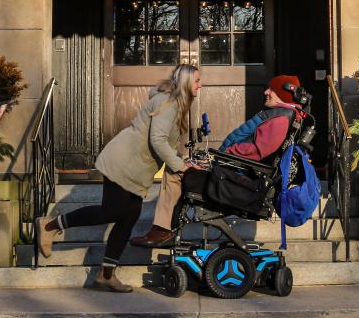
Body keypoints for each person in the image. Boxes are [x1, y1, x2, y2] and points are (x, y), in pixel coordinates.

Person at [36, 64, 202, 292]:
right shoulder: (170, 104)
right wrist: (180, 166)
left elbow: (167, 144)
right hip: (123, 162)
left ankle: (106, 275)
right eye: (197, 81)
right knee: (111, 212)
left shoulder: (175, 105)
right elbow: (158, 141)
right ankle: (50, 225)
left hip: (135, 168)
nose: (200, 85)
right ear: (185, 83)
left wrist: (183, 160)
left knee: (129, 216)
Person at [130, 74, 303, 248]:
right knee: (184, 166)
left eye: (271, 90)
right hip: (234, 170)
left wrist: (223, 155)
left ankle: (163, 231)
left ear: (284, 93)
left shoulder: (279, 119)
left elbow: (257, 151)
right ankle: (167, 229)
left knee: (175, 172)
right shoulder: (282, 116)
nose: (266, 92)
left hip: (237, 179)